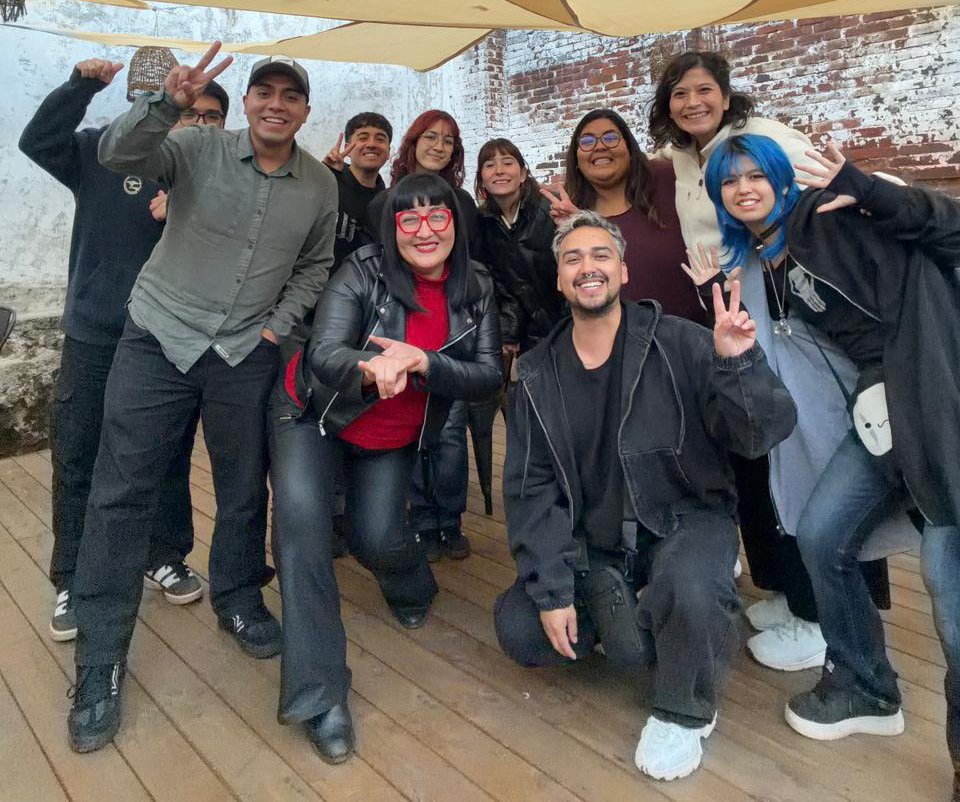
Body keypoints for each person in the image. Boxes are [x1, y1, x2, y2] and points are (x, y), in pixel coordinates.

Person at [66, 46, 338, 754]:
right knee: (121, 492)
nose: (276, 103)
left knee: (243, 488)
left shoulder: (319, 184)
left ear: (305, 110)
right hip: (158, 337)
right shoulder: (196, 145)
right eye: (264, 91)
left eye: (290, 95)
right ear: (246, 103)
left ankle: (239, 598)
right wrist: (164, 102)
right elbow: (118, 156)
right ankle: (99, 659)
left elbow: (315, 264)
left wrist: (278, 326)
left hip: (243, 352)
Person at [495, 210, 797, 781]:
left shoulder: (681, 341)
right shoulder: (536, 373)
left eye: (601, 255)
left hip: (684, 518)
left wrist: (738, 364)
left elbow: (760, 434)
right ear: (559, 279)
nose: (588, 267)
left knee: (690, 588)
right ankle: (644, 616)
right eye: (573, 259)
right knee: (521, 626)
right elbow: (531, 489)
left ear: (624, 272)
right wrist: (553, 589)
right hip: (596, 540)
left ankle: (684, 708)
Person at [704, 135, 959, 791]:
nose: (744, 188)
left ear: (782, 179)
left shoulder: (834, 215)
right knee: (821, 535)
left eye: (757, 174)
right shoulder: (758, 262)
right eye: (729, 180)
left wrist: (876, 193)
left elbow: (948, 234)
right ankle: (866, 685)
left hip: (938, 411)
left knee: (951, 593)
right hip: (878, 423)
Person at [650, 49, 890, 671]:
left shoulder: (764, 138)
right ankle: (793, 593)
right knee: (764, 473)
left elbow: (841, 189)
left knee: (815, 472)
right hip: (742, 303)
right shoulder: (680, 159)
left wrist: (866, 196)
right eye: (679, 93)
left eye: (704, 90)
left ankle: (825, 616)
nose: (693, 102)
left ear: (726, 95)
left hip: (802, 322)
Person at [269, 172, 502, 763]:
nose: (424, 230)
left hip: (390, 434)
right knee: (301, 530)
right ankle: (320, 695)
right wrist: (370, 369)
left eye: (437, 216)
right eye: (409, 218)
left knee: (378, 536)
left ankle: (413, 585)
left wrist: (424, 363)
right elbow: (324, 352)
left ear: (456, 223)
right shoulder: (363, 271)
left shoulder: (477, 286)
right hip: (314, 415)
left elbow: (487, 376)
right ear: (392, 228)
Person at [18, 57, 230, 643]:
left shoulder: (221, 180)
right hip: (98, 334)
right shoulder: (102, 151)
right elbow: (38, 141)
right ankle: (73, 576)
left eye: (211, 117)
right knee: (80, 454)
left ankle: (163, 553)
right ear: (163, 108)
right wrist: (81, 86)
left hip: (170, 342)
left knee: (167, 455)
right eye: (187, 112)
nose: (197, 124)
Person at [366, 110, 477, 560]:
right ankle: (419, 517)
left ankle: (447, 519)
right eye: (430, 137)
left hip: (451, 330)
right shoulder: (386, 201)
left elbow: (473, 267)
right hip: (402, 328)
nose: (439, 146)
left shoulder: (463, 203)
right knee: (410, 425)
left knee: (449, 433)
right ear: (413, 143)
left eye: (448, 141)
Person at [541, 109, 702, 323]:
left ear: (629, 148)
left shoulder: (669, 180)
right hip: (621, 339)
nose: (599, 146)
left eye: (610, 138)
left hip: (695, 331)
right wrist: (580, 226)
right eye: (587, 141)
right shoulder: (573, 217)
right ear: (576, 159)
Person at [473, 137, 564, 355]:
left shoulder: (551, 209)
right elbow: (499, 282)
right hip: (530, 335)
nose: (499, 171)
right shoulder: (483, 222)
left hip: (569, 321)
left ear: (522, 174)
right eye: (489, 165)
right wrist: (509, 331)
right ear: (482, 179)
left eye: (507, 163)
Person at [321, 111, 393, 274]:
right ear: (348, 148)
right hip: (316, 282)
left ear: (388, 151)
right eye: (363, 137)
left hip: (362, 286)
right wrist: (323, 174)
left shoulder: (387, 202)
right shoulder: (328, 182)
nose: (371, 144)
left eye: (380, 139)